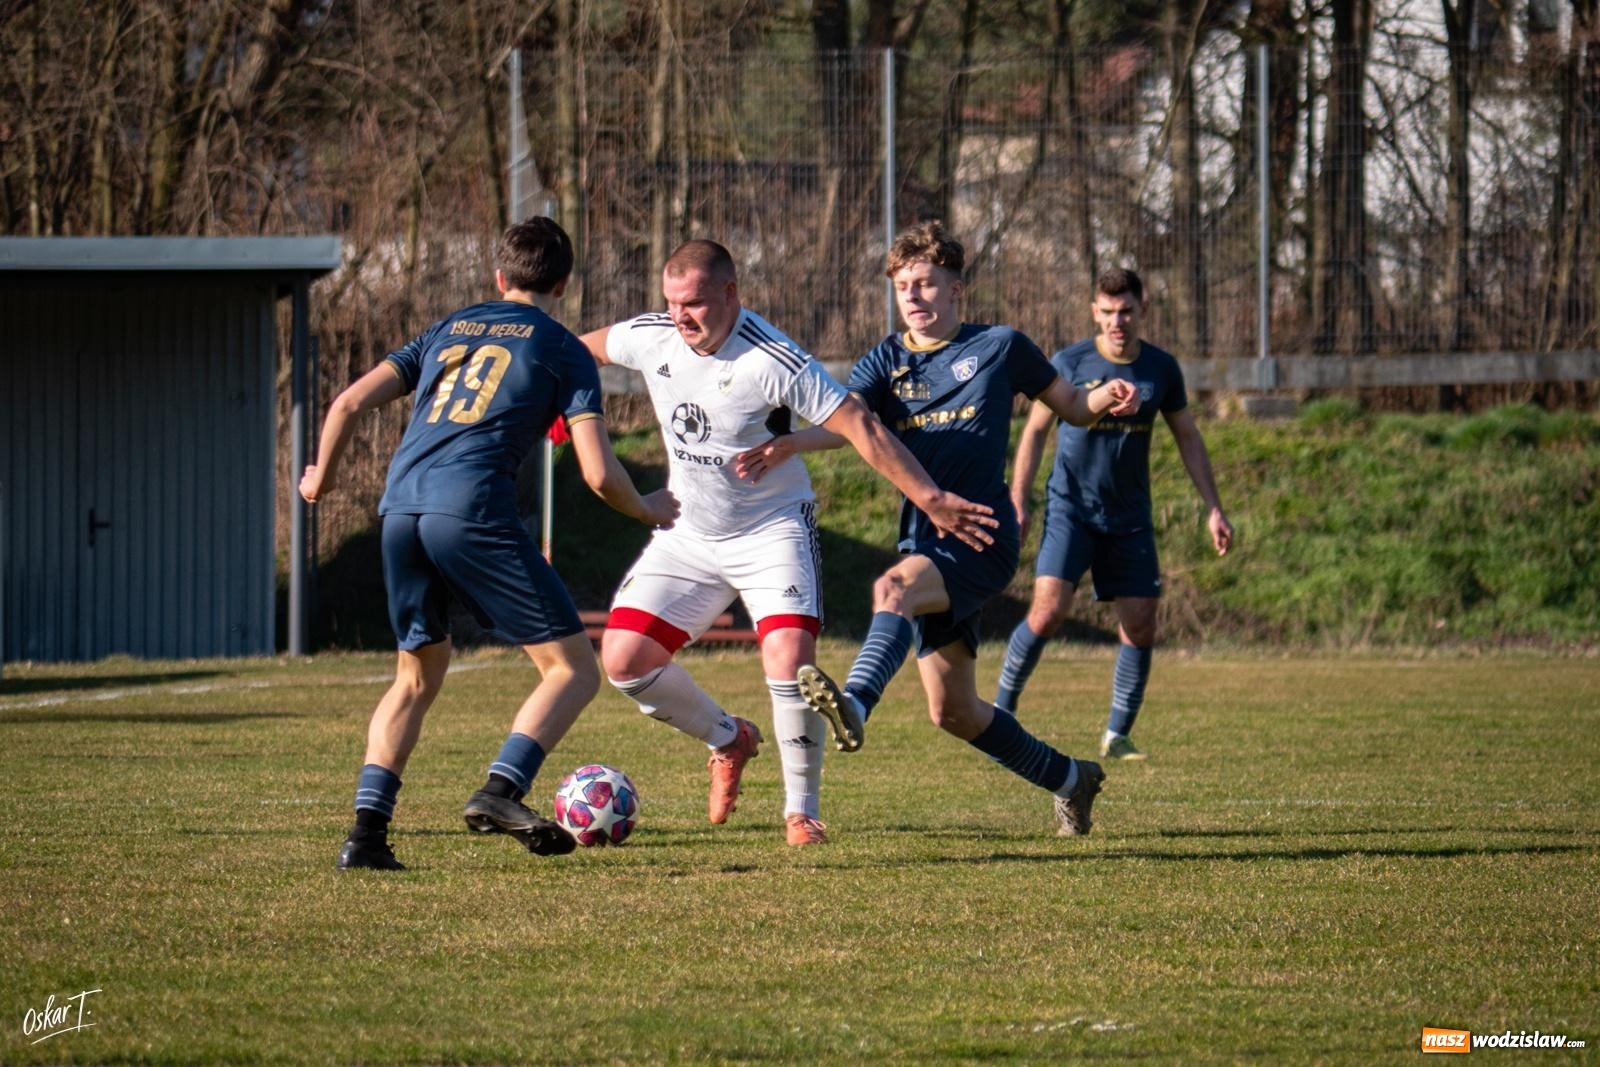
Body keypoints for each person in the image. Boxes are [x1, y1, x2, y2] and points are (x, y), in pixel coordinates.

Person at [579, 239, 997, 846]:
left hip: (770, 528)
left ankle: (801, 812)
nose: (681, 317)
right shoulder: (654, 335)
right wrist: (560, 400)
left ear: (730, 294)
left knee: (790, 661)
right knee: (623, 660)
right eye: (672, 303)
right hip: (690, 532)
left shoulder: (772, 357)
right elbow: (573, 351)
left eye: (694, 303)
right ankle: (729, 738)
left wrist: (931, 499)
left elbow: (861, 426)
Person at [299, 217, 679, 871]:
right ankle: (501, 788)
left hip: (400, 509)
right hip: (471, 511)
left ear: (499, 278)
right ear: (564, 282)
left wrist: (319, 479)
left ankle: (365, 838)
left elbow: (346, 404)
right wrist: (646, 506)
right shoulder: (564, 350)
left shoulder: (448, 328)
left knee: (415, 678)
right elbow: (596, 471)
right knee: (572, 670)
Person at [742, 222, 1140, 837]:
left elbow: (1070, 406)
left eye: (926, 284)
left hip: (980, 532)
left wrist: (1107, 395)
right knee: (953, 711)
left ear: (957, 290)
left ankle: (854, 704)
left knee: (892, 590)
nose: (914, 297)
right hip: (924, 535)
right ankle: (1071, 778)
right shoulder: (886, 359)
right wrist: (786, 444)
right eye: (903, 286)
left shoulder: (1001, 346)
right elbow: (847, 421)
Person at [994, 268, 1234, 761]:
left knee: (1141, 624)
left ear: (1142, 310)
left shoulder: (1162, 369)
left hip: (1130, 518)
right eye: (1107, 312)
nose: (1117, 321)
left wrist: (1214, 508)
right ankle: (1000, 712)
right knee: (1048, 610)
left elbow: (1188, 436)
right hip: (1071, 509)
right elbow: (1036, 431)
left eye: (1126, 311)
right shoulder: (1070, 362)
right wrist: (1018, 499)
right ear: (1094, 313)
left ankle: (1117, 733)